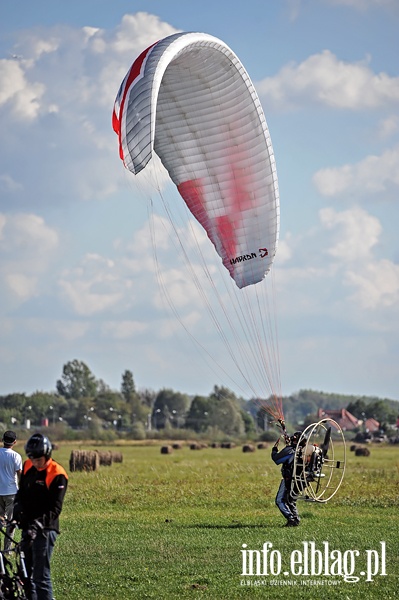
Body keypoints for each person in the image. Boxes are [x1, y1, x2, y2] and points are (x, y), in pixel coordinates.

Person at [13, 433, 68, 600]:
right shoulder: (28, 466)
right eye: (32, 458)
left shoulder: (57, 473)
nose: (36, 463)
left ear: (47, 455)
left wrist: (38, 525)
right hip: (27, 526)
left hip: (45, 528)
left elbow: (55, 508)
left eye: (39, 459)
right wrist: (17, 508)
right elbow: (21, 493)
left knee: (40, 576)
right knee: (24, 573)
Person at [271, 431, 303, 527]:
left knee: (280, 500)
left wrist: (274, 450)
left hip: (289, 479)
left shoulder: (290, 450)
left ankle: (291, 518)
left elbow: (277, 459)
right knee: (290, 499)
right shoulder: (303, 450)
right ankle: (296, 518)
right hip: (301, 480)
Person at [0, 430, 23, 551]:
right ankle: (7, 550)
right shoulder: (16, 456)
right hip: (11, 493)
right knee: (10, 523)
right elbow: (19, 474)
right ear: (14, 442)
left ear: (2, 440)